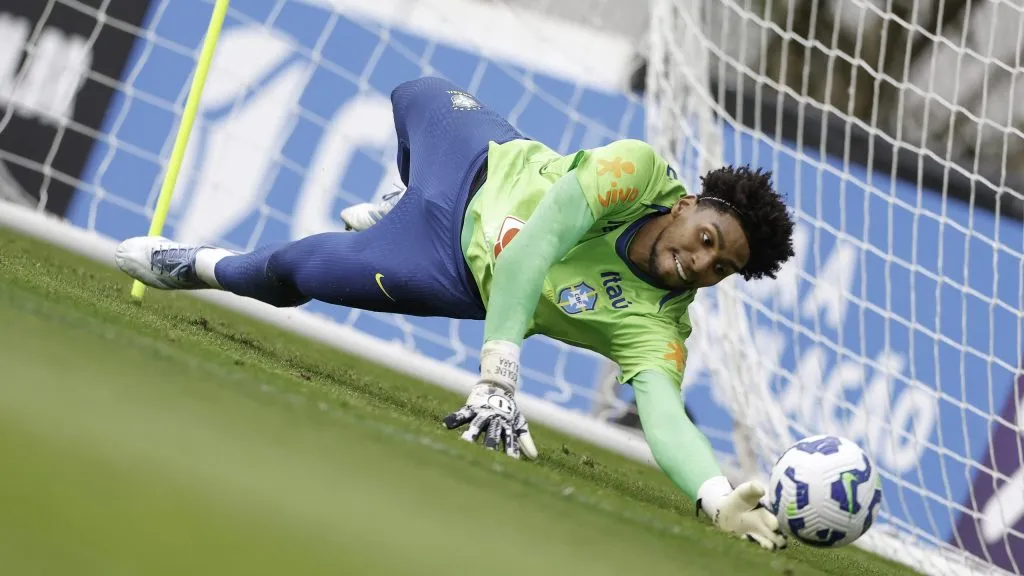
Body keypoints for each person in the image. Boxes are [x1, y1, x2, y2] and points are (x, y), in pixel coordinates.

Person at [115, 77, 795, 550]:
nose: (704, 264)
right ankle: (401, 194)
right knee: (413, 92)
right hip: (476, 155)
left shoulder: (660, 325)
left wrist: (713, 495)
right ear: (686, 206)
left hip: (454, 269)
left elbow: (663, 413)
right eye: (709, 240)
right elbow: (537, 245)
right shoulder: (636, 173)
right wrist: (497, 380)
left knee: (300, 271)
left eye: (724, 268)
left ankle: (196, 265)